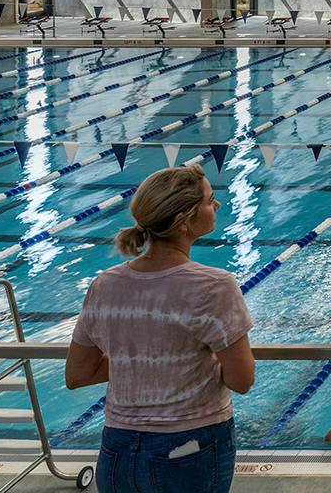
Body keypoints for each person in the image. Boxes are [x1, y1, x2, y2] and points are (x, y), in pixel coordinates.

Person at [67, 164, 253, 493]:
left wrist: (143, 356)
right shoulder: (214, 286)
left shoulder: (105, 284)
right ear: (185, 219)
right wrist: (182, 359)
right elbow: (242, 380)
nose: (218, 206)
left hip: (116, 450)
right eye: (211, 200)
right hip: (188, 448)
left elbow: (78, 374)